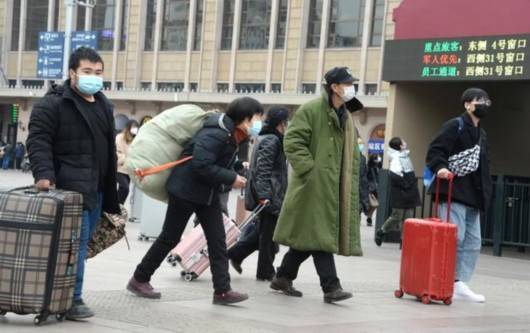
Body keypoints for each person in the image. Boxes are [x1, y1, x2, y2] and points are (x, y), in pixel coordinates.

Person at [127, 97, 264, 305]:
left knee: (218, 240)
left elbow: (215, 160)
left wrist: (235, 167)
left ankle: (222, 290)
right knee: (169, 237)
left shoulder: (232, 134)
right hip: (185, 191)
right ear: (243, 118)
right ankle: (139, 278)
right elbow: (201, 164)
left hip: (206, 194)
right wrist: (231, 178)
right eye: (255, 119)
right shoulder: (217, 132)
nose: (257, 124)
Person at [27, 47, 120, 320]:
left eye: (98, 72)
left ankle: (59, 294)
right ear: (72, 73)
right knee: (74, 245)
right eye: (87, 72)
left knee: (79, 244)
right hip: (68, 188)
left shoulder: (104, 104)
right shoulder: (53, 104)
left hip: (97, 189)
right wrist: (44, 175)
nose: (94, 77)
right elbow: (38, 141)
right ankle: (73, 299)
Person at [270, 67, 364, 304]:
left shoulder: (346, 112)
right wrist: (310, 170)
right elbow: (292, 141)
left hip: (334, 185)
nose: (352, 87)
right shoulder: (311, 109)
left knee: (309, 237)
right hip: (314, 185)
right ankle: (331, 287)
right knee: (320, 236)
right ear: (334, 86)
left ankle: (282, 277)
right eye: (347, 83)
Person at [426, 88, 492, 303]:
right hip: (453, 191)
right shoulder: (455, 125)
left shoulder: (481, 133)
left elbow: (483, 166)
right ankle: (446, 281)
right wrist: (441, 168)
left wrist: (486, 193)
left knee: (473, 242)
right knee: (455, 238)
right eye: (478, 100)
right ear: (467, 104)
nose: (483, 104)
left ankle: (460, 282)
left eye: (486, 100)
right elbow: (435, 151)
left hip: (474, 195)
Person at [228, 106, 290, 281]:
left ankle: (235, 254)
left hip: (270, 193)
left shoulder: (267, 138)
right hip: (269, 195)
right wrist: (265, 196)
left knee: (263, 232)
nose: (287, 126)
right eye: (286, 122)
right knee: (268, 235)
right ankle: (265, 271)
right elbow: (263, 171)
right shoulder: (272, 140)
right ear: (281, 123)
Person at [375, 137, 421, 246]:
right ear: (400, 146)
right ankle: (381, 231)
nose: (405, 142)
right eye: (403, 141)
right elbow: (394, 176)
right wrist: (407, 185)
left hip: (407, 192)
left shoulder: (404, 156)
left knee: (408, 218)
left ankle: (404, 241)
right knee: (397, 216)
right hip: (400, 193)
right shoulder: (397, 158)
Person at [116, 120, 139, 204]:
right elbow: (118, 152)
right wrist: (124, 159)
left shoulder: (135, 139)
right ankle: (116, 207)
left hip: (129, 169)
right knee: (124, 187)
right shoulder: (119, 137)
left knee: (125, 191)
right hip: (119, 168)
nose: (134, 130)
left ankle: (119, 207)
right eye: (133, 127)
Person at [366, 154, 382, 226]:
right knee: (371, 204)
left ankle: (369, 216)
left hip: (376, 189)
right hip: (370, 189)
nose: (377, 160)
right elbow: (366, 178)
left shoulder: (377, 167)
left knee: (375, 204)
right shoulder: (368, 168)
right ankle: (369, 217)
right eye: (376, 159)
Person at [358, 137, 370, 222]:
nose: (361, 146)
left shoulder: (362, 158)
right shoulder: (361, 158)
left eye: (362, 144)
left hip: (359, 192)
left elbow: (364, 179)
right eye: (359, 144)